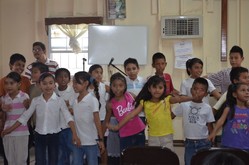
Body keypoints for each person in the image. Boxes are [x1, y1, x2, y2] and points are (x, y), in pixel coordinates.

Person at [1, 72, 80, 165]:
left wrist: (74, 134)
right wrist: (9, 129)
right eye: (44, 83)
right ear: (39, 85)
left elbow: (68, 117)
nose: (48, 86)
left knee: (53, 160)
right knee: (40, 161)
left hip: (54, 135)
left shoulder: (59, 101)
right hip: (39, 136)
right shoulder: (36, 101)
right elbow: (24, 117)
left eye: (50, 83)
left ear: (55, 85)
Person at [108, 75, 192, 151]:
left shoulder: (167, 100)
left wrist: (193, 98)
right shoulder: (144, 102)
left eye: (160, 88)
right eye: (154, 87)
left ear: (164, 89)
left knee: (167, 158)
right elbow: (131, 115)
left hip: (167, 136)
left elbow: (180, 99)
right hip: (153, 137)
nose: (157, 90)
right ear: (149, 88)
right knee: (154, 158)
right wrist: (117, 127)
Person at [173, 77, 214, 165]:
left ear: (206, 94)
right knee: (189, 162)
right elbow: (171, 115)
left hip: (203, 141)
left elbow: (209, 124)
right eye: (195, 89)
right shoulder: (184, 105)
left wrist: (211, 138)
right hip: (189, 142)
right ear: (191, 90)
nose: (197, 92)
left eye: (201, 90)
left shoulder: (207, 107)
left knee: (204, 162)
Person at [0, 53, 31, 165]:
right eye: (6, 84)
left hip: (21, 132)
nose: (8, 86)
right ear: (10, 65)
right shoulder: (4, 98)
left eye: (23, 65)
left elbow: (27, 113)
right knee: (10, 160)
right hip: (7, 132)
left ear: (18, 84)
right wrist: (3, 110)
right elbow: (3, 115)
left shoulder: (24, 95)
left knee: (21, 160)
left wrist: (28, 105)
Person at [104, 72, 146, 152]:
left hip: (139, 131)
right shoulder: (110, 104)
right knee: (126, 158)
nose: (117, 89)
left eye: (121, 85)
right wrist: (101, 137)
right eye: (114, 86)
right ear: (111, 87)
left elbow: (142, 106)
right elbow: (106, 122)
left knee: (140, 157)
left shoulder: (130, 95)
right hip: (125, 135)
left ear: (125, 86)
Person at [72, 71, 105, 165]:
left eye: (77, 83)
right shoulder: (75, 101)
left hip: (91, 141)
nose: (74, 85)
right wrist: (74, 135)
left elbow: (97, 121)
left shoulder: (92, 100)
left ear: (86, 83)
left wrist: (101, 140)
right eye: (73, 82)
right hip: (77, 141)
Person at [208, 83, 249, 151]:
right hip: (229, 145)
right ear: (234, 94)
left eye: (248, 90)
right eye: (243, 90)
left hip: (246, 145)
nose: (247, 92)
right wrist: (213, 133)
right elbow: (221, 121)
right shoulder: (229, 109)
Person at [55, 68, 77, 165]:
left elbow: (75, 108)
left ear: (69, 79)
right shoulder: (53, 91)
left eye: (65, 76)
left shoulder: (74, 92)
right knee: (60, 152)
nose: (63, 79)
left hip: (69, 127)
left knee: (72, 151)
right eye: (60, 77)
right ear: (56, 79)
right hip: (57, 127)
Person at [88, 64, 109, 165]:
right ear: (90, 74)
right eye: (96, 72)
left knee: (103, 146)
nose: (99, 74)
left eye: (101, 72)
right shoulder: (86, 88)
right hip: (89, 122)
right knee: (91, 146)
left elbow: (116, 94)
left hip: (102, 121)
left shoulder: (104, 86)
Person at [124, 58, 146, 123]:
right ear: (125, 70)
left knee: (140, 132)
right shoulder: (123, 81)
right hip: (127, 114)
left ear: (138, 69)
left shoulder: (144, 81)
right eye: (128, 69)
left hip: (141, 114)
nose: (131, 71)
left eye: (134, 68)